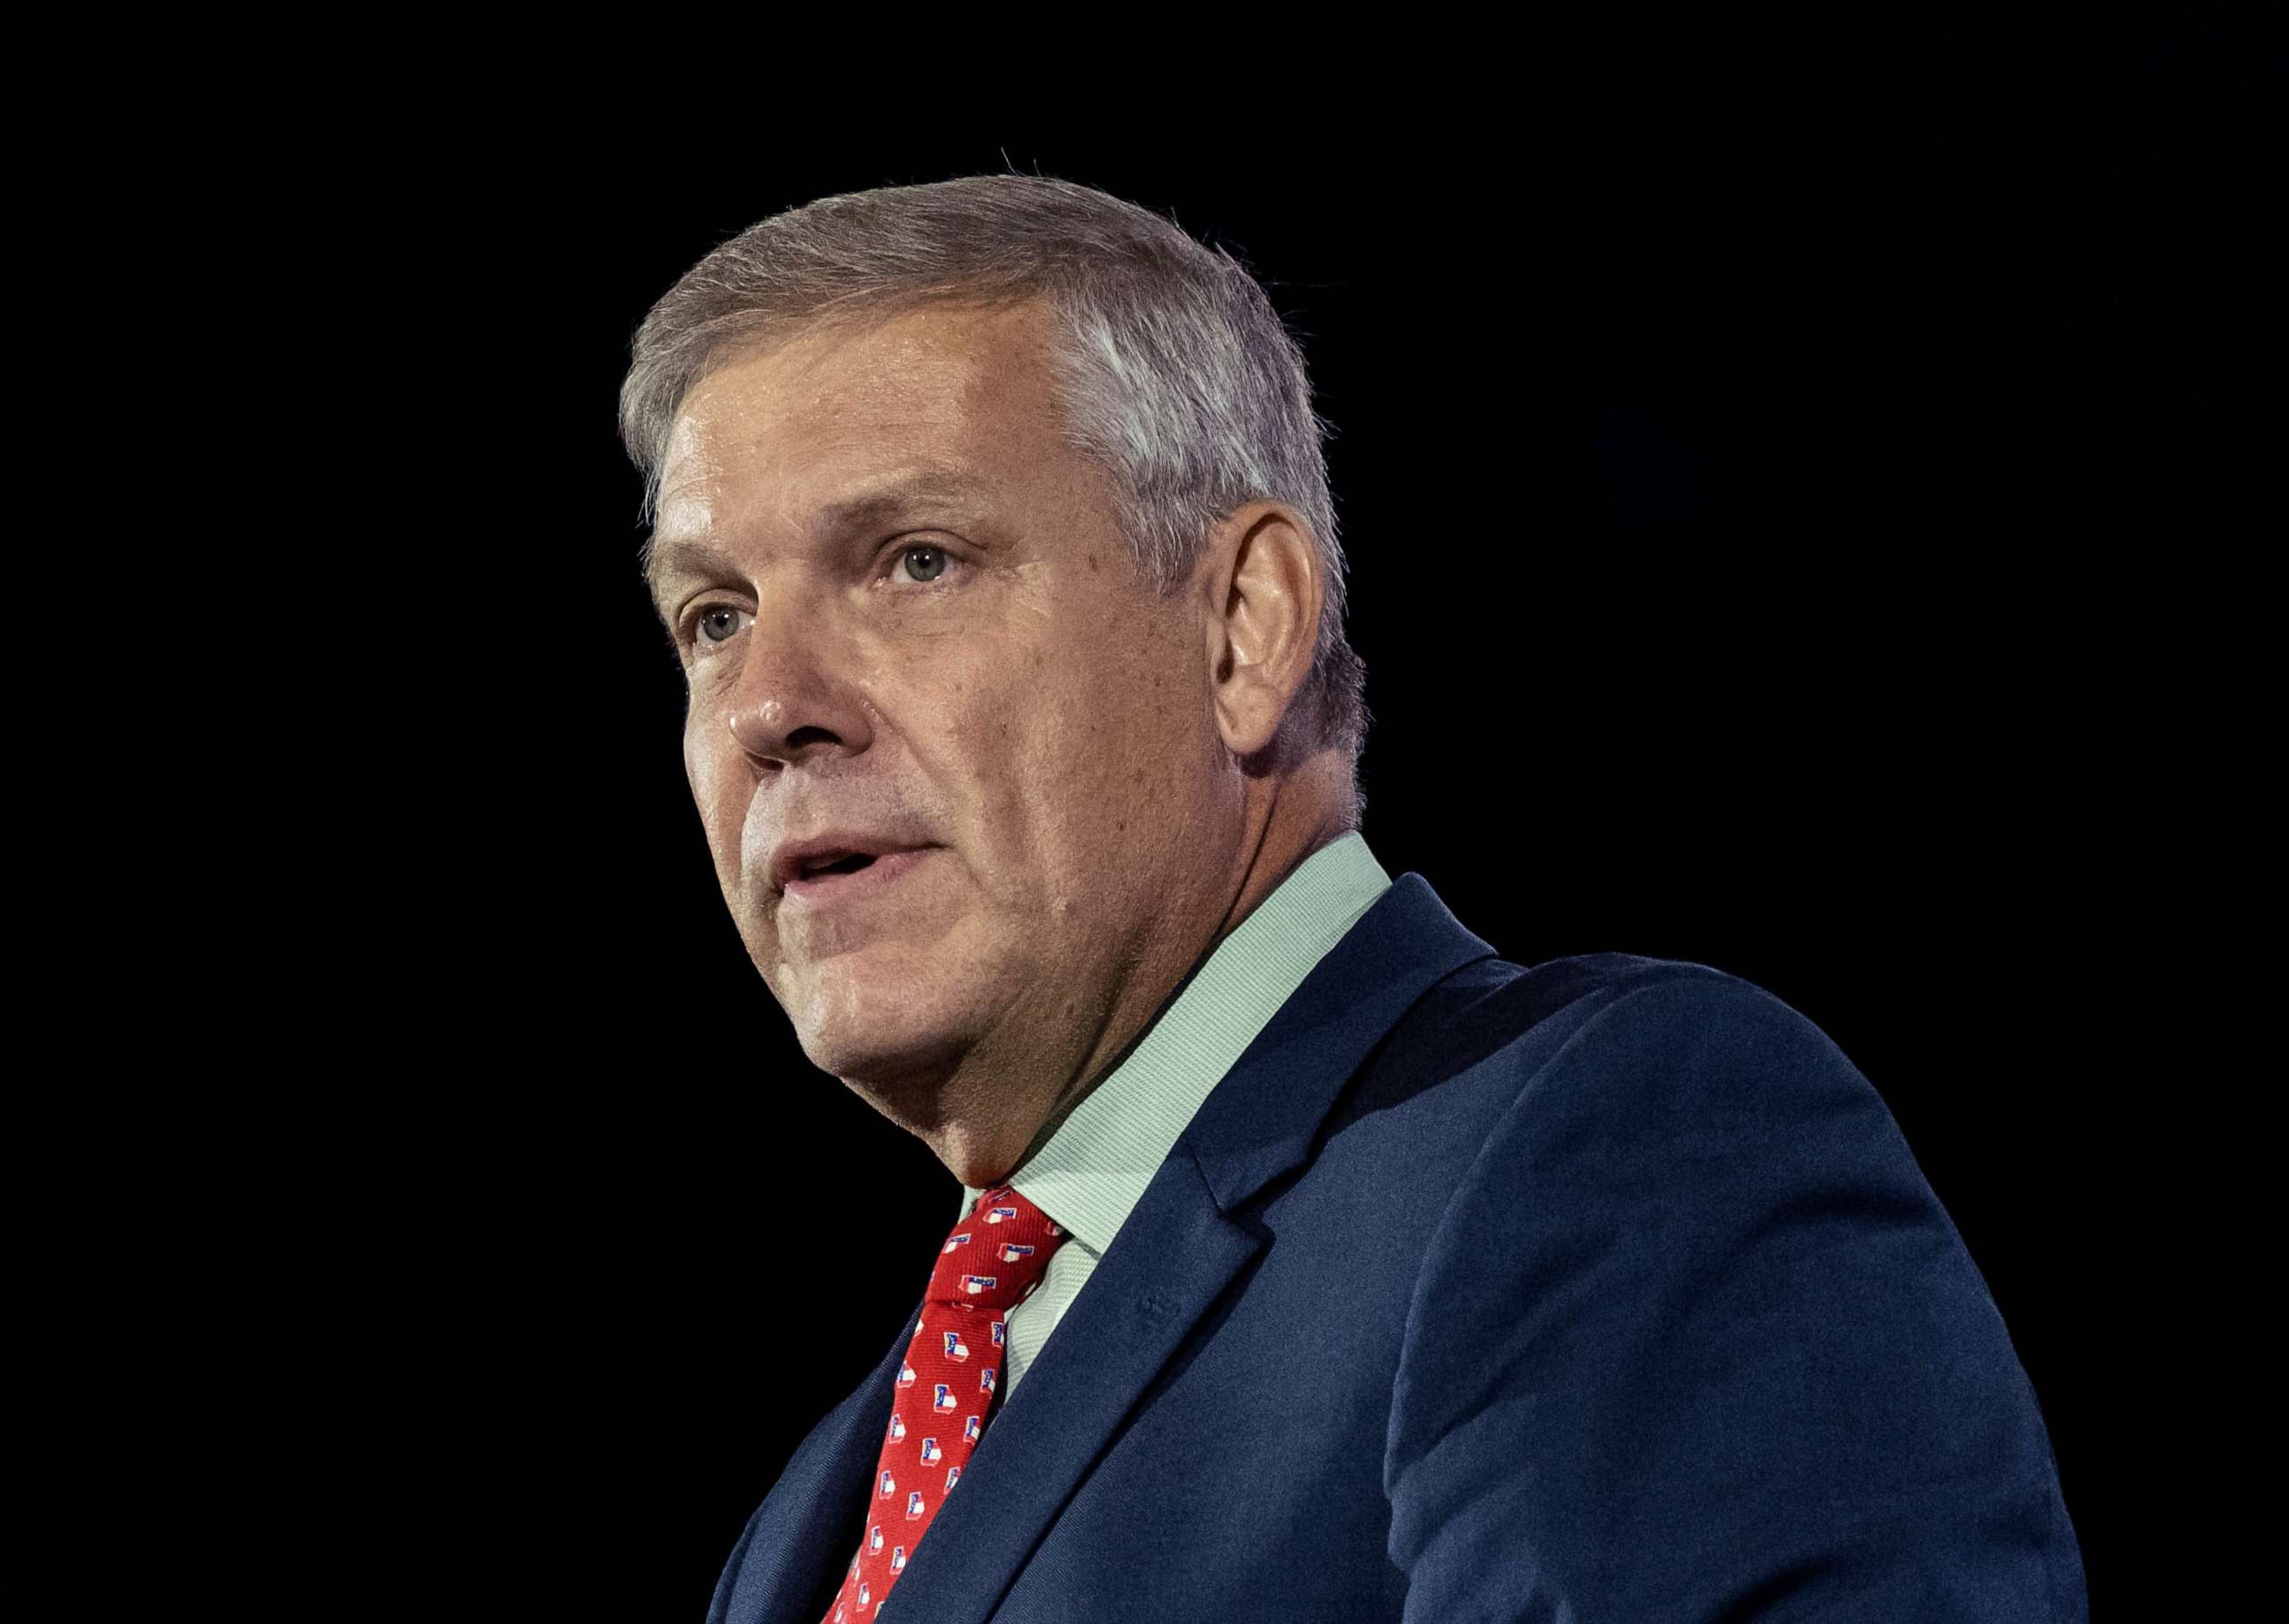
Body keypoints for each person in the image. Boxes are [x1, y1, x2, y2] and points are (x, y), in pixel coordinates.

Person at [618, 173, 2087, 1623]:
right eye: (716, 616)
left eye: (915, 561)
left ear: (1245, 629)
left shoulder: (1613, 1150)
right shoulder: (815, 1517)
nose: (769, 708)